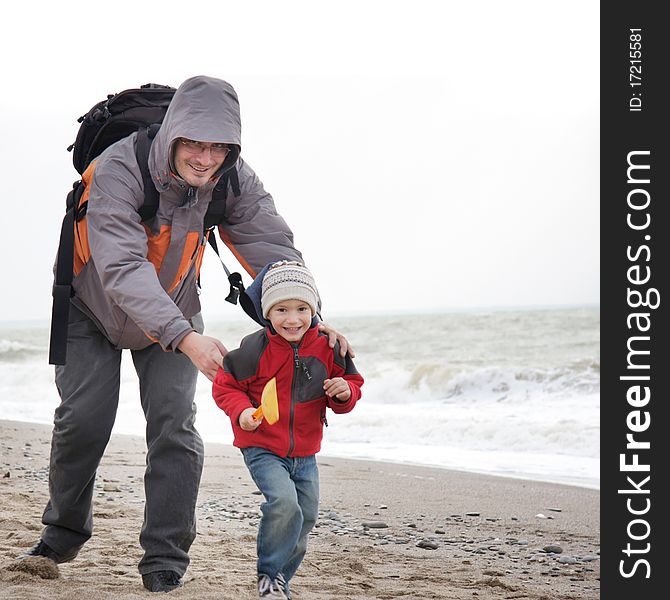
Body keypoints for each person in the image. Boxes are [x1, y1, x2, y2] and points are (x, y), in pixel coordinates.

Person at [21, 75, 352, 593]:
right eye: (195, 144)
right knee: (83, 422)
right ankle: (62, 533)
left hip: (175, 302)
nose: (205, 157)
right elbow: (123, 269)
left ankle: (165, 555)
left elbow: (272, 245)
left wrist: (309, 311)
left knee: (175, 425)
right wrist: (186, 337)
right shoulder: (116, 172)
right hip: (92, 306)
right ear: (172, 133)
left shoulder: (234, 178)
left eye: (218, 146)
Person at [212, 260, 364, 600]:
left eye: (301, 309)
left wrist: (344, 392)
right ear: (267, 312)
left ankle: (281, 579)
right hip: (261, 445)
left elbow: (352, 386)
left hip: (305, 451)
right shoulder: (254, 349)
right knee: (284, 504)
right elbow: (226, 386)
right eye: (281, 309)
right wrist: (242, 413)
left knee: (306, 516)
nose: (292, 319)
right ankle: (267, 576)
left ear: (314, 310)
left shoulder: (329, 348)